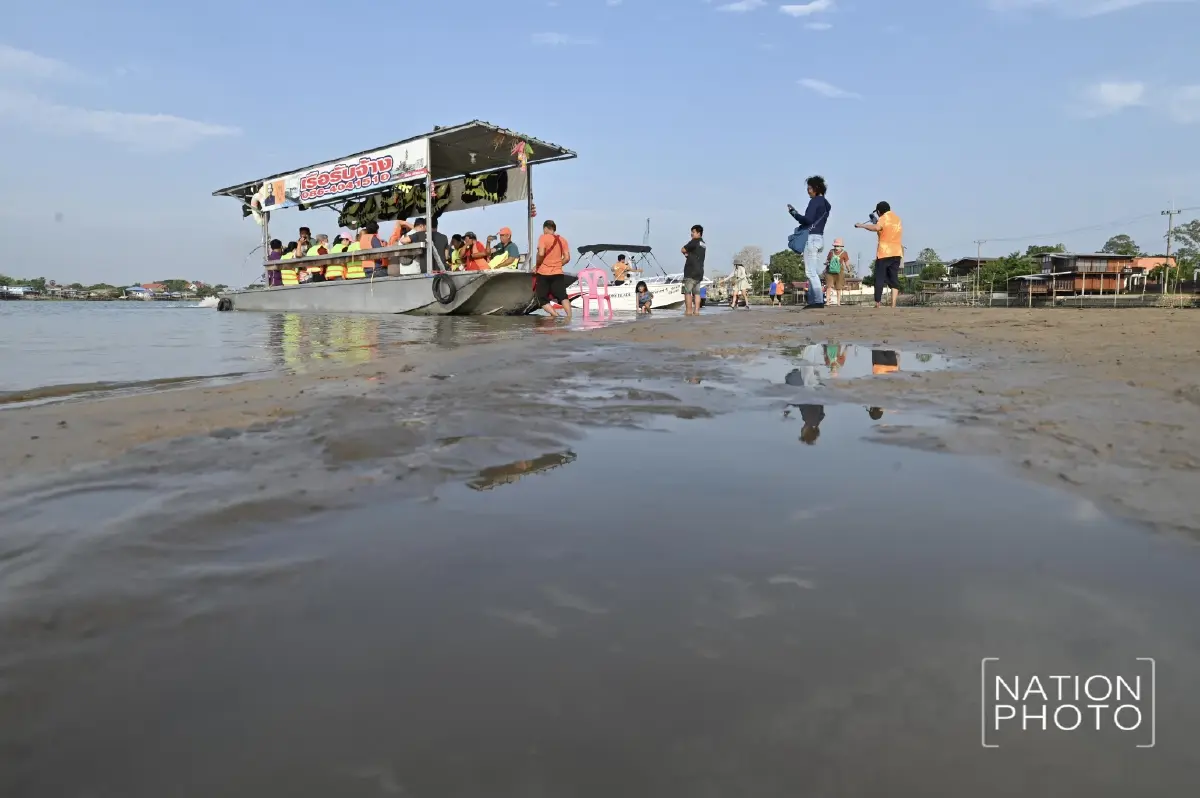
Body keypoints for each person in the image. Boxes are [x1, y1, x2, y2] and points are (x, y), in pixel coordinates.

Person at [787, 175, 831, 309]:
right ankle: (813, 301)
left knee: (810, 272)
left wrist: (793, 213)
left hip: (811, 238)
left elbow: (807, 220)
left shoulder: (815, 201)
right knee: (813, 271)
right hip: (820, 238)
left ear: (816, 188)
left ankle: (818, 301)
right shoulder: (826, 204)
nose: (808, 190)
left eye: (810, 188)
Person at [856, 201, 903, 308]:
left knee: (880, 278)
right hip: (897, 252)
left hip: (884, 253)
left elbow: (877, 228)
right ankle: (893, 305)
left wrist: (862, 226)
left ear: (878, 211)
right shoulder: (897, 219)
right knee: (894, 278)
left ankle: (878, 303)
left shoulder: (883, 218)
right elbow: (887, 231)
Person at [535, 219, 572, 320]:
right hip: (558, 272)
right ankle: (569, 317)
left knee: (541, 298)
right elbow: (567, 258)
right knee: (563, 296)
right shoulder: (562, 240)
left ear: (545, 228)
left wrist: (537, 264)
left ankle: (555, 315)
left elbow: (541, 253)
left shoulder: (543, 238)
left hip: (544, 273)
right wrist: (558, 264)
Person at [681, 224, 706, 316]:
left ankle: (688, 311)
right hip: (699, 271)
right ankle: (696, 311)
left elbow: (683, 249)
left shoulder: (694, 241)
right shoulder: (703, 244)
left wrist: (686, 253)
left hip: (690, 271)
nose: (691, 234)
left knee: (687, 292)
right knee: (697, 293)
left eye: (693, 232)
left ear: (699, 233)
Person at [824, 238, 850, 306]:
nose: (836, 247)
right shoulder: (831, 251)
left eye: (838, 246)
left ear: (841, 246)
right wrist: (826, 263)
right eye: (835, 246)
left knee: (839, 287)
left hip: (839, 271)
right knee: (828, 286)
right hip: (830, 271)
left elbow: (846, 263)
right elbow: (827, 260)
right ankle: (827, 302)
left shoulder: (844, 253)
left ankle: (838, 302)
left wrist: (848, 269)